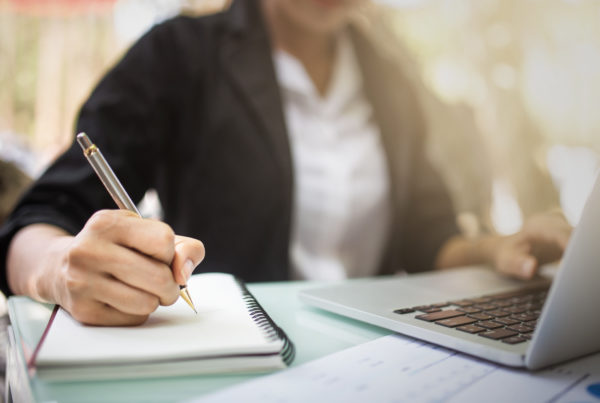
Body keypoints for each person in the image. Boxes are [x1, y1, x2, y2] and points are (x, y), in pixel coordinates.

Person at [0, 0, 571, 326]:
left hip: (373, 358)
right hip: (228, 354)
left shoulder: (392, 78)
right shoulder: (178, 54)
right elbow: (34, 224)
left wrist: (498, 250)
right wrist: (55, 267)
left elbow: (427, 236)